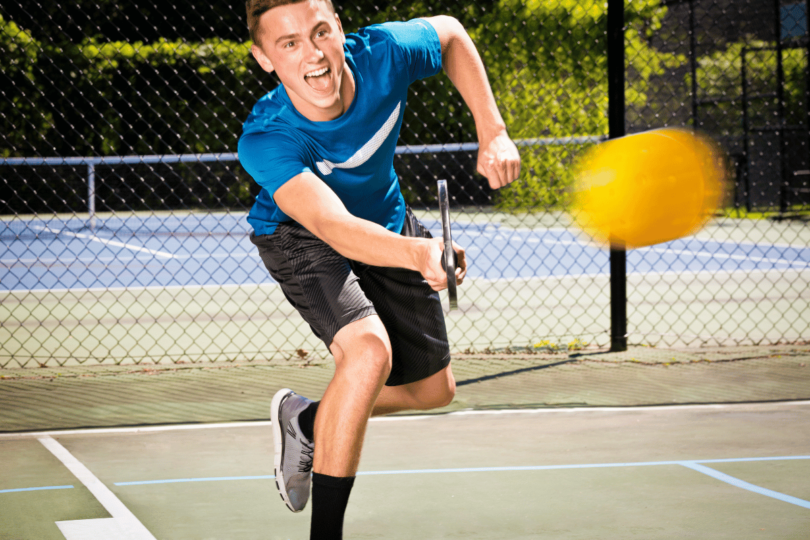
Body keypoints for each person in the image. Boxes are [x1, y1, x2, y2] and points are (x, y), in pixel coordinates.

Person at [238, 1, 520, 537]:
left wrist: (493, 129)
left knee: (435, 391)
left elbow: (453, 35)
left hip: (384, 217)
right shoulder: (266, 137)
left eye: (321, 32)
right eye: (289, 43)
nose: (314, 54)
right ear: (265, 59)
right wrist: (419, 253)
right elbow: (333, 226)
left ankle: (308, 419)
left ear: (340, 28)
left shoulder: (384, 53)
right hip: (299, 233)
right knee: (369, 352)